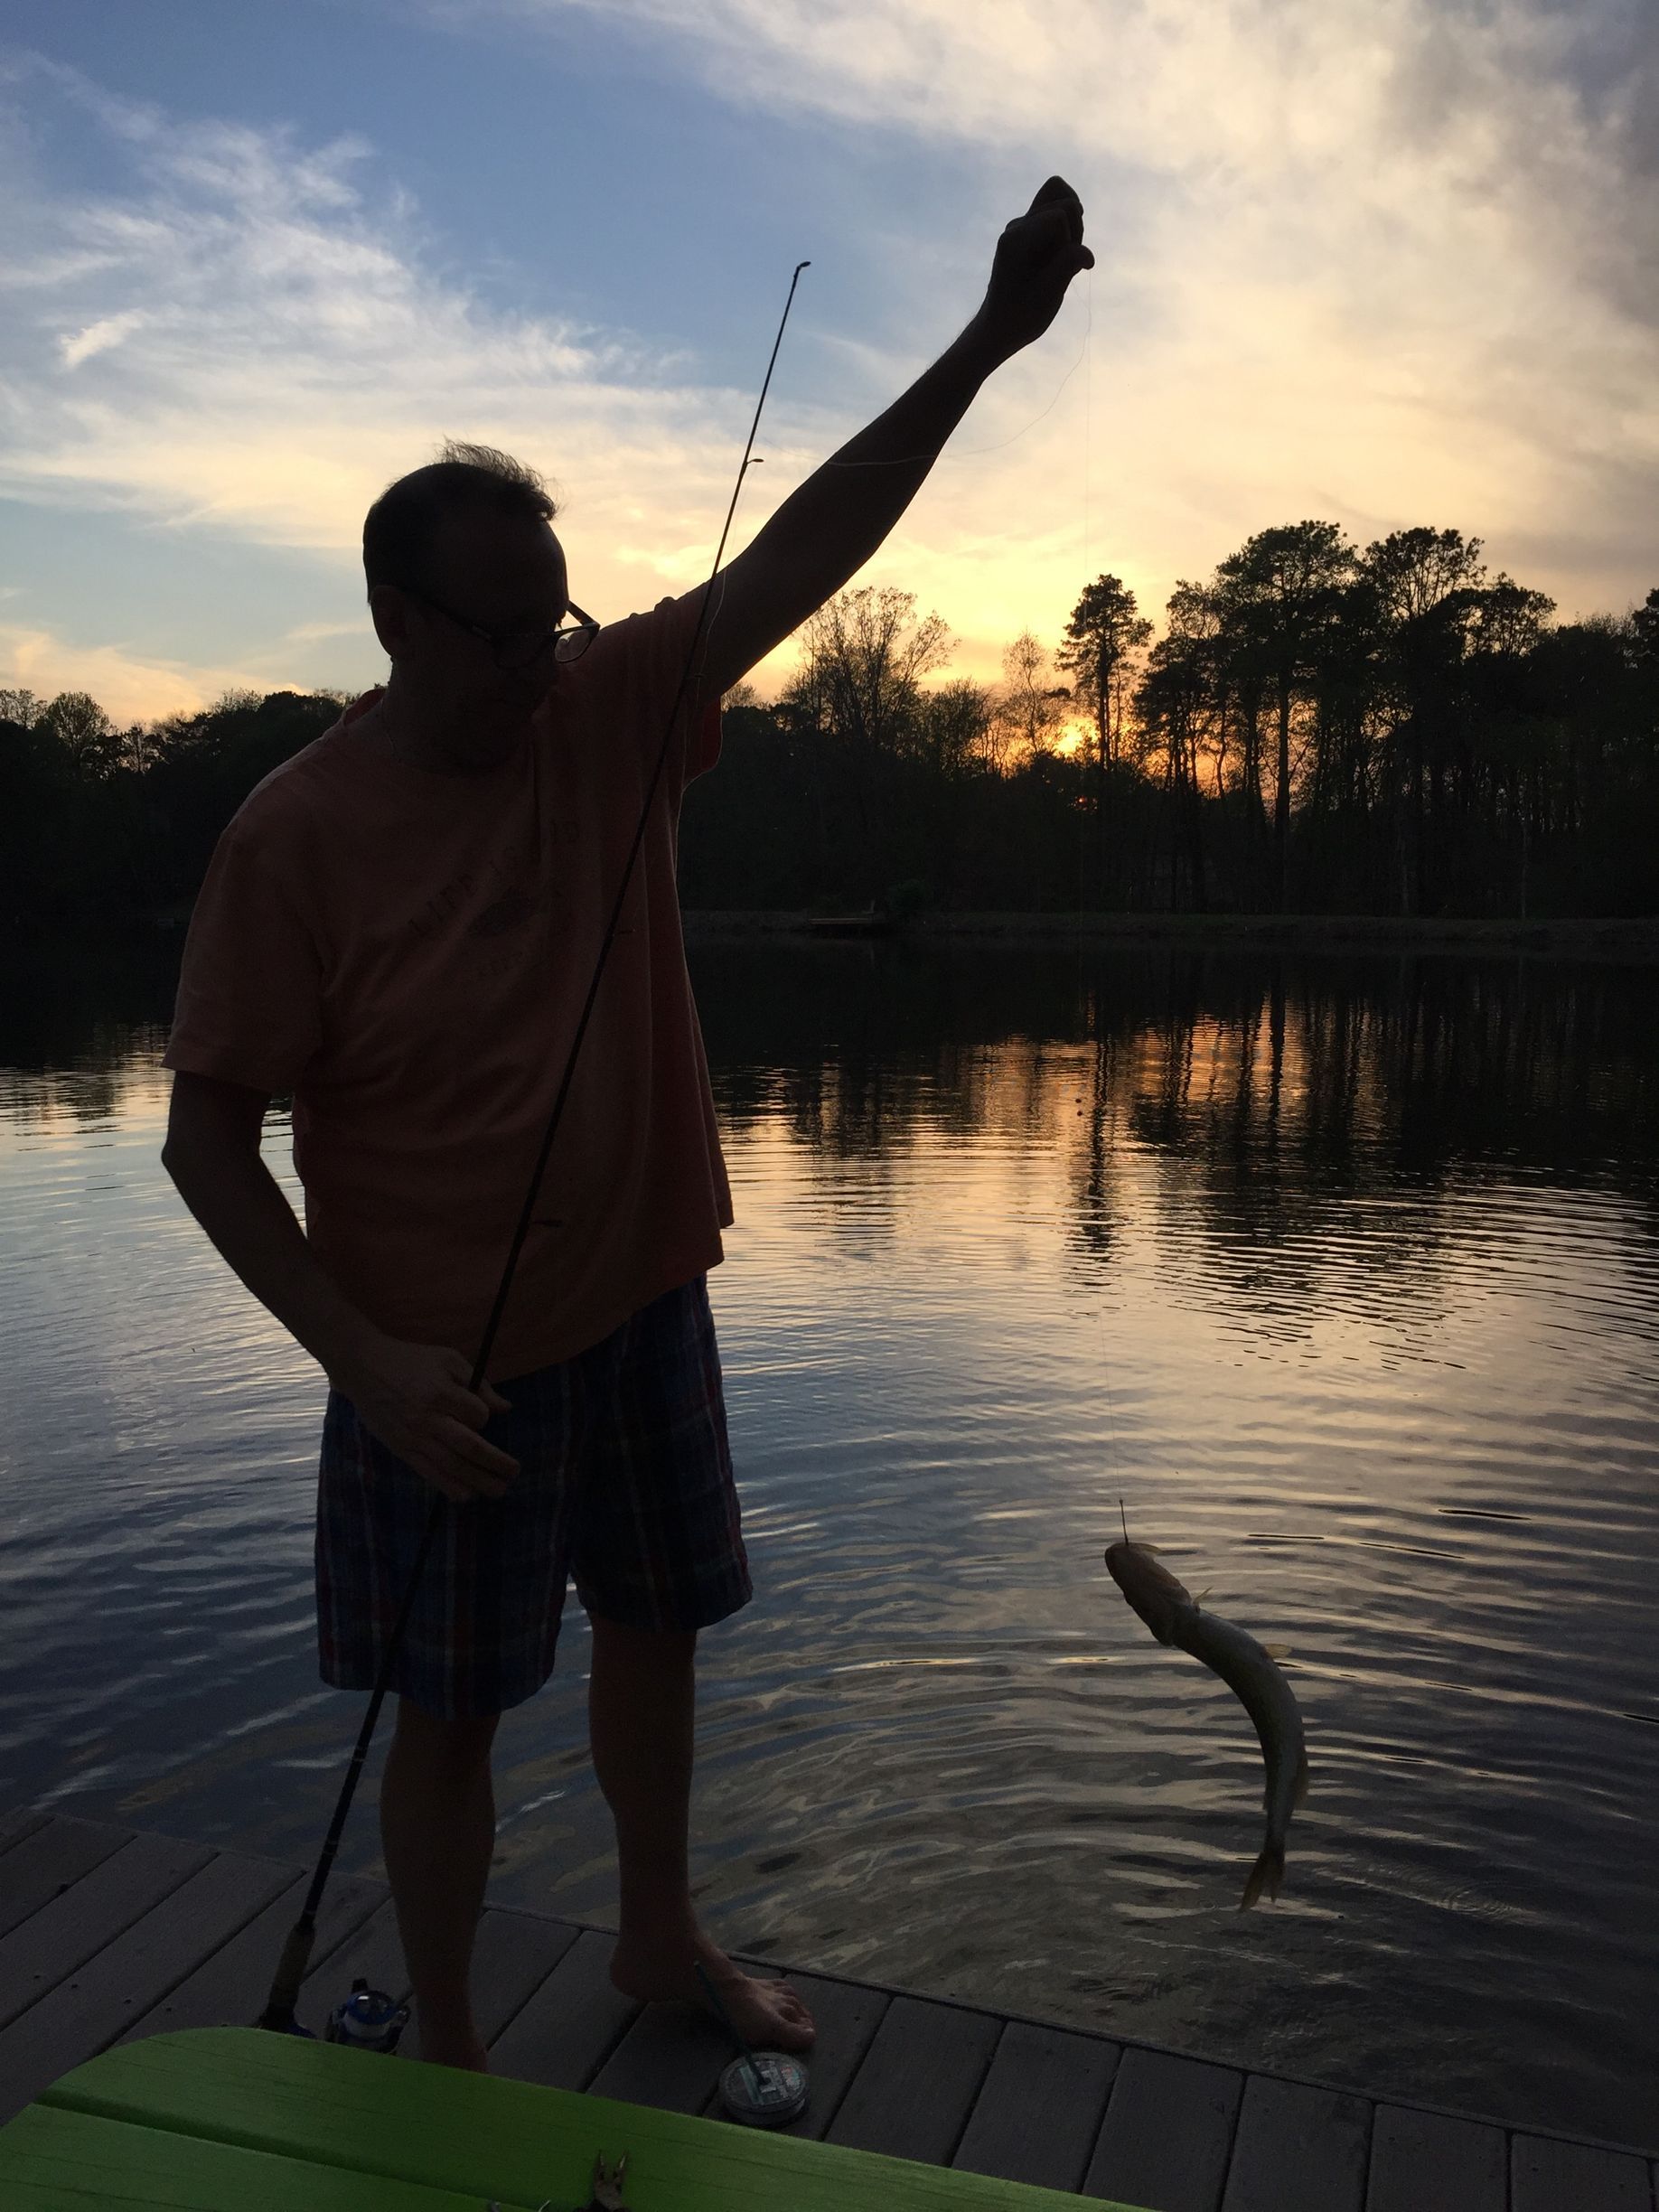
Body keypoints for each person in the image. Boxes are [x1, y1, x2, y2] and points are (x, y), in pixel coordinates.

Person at [160, 177, 1092, 2073]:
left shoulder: (606, 708)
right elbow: (204, 1142)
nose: (545, 663)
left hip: (647, 1293)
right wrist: (371, 1363)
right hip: (443, 1369)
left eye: (558, 621)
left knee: (661, 1631)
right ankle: (444, 2038)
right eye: (504, 636)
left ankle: (658, 1943)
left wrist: (987, 345)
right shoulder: (294, 837)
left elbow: (810, 547)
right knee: (449, 1708)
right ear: (397, 621)